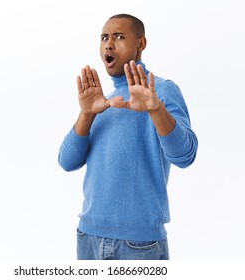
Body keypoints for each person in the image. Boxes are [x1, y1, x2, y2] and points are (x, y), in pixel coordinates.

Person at [58, 14, 198, 260]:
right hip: (88, 238)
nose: (109, 44)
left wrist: (156, 109)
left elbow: (185, 156)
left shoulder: (162, 92)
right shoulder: (101, 101)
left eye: (119, 37)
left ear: (141, 44)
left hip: (139, 245)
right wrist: (87, 113)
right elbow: (67, 162)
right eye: (104, 38)